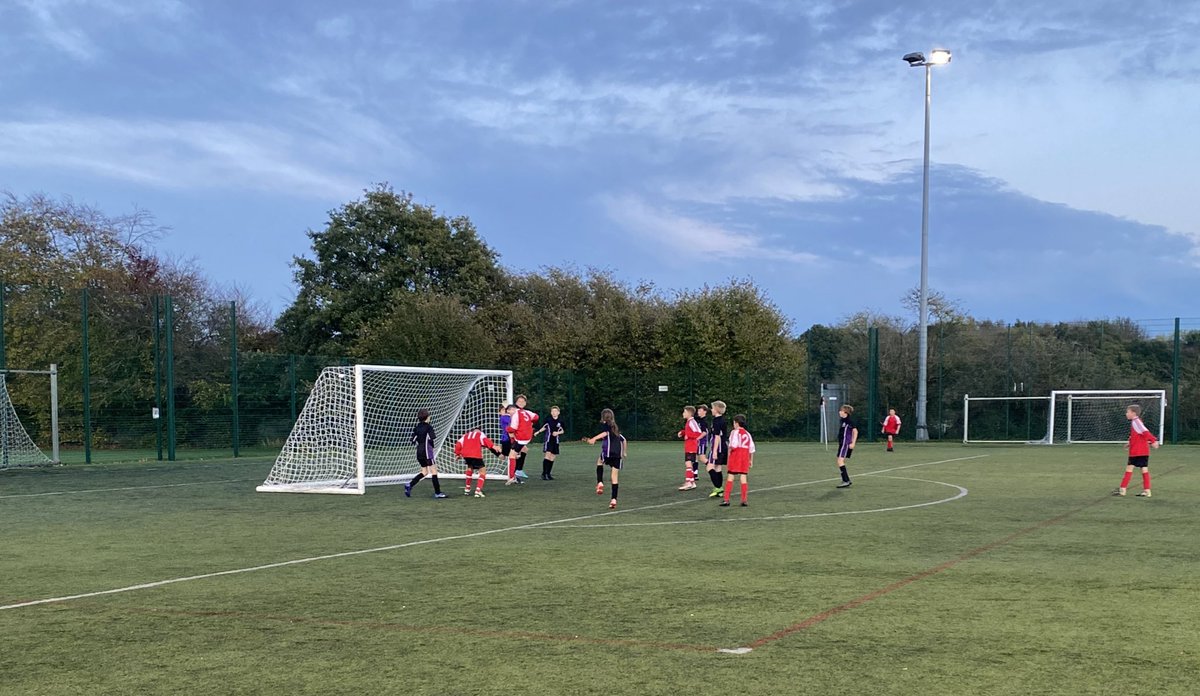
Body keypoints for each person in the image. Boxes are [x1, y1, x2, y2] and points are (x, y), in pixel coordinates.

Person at [1112, 404, 1159, 497]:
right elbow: (1138, 435)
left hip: (1137, 451)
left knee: (1129, 469)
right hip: (1144, 451)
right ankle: (1147, 490)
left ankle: (1122, 490)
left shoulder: (1136, 421)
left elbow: (1145, 432)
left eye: (1127, 412)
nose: (1126, 414)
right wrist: (1129, 443)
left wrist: (1153, 440)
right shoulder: (1137, 422)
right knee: (1144, 469)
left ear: (1133, 413)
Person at [585, 408, 626, 509]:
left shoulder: (606, 426)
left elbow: (605, 433)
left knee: (599, 462)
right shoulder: (615, 427)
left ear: (603, 417)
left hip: (608, 453)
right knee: (614, 478)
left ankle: (600, 482)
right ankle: (613, 499)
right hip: (617, 455)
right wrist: (624, 452)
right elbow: (624, 440)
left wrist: (593, 439)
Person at [405, 409, 446, 499]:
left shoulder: (416, 427)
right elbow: (432, 437)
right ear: (427, 417)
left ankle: (409, 485)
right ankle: (438, 492)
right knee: (434, 471)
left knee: (424, 472)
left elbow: (412, 440)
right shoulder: (428, 427)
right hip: (427, 451)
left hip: (419, 452)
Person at [454, 428, 502, 497]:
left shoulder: (465, 435)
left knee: (470, 467)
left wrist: (457, 454)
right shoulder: (480, 434)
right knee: (483, 471)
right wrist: (494, 446)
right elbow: (485, 440)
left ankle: (467, 489)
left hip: (466, 455)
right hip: (475, 454)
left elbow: (458, 444)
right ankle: (478, 490)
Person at [720, 414, 755, 507]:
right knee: (743, 478)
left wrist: (729, 453)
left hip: (736, 457)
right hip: (745, 457)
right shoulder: (748, 434)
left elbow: (733, 445)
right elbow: (752, 448)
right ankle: (744, 500)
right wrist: (751, 460)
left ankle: (726, 499)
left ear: (736, 423)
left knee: (730, 477)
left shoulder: (734, 432)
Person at [506, 394, 539, 483]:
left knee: (512, 456)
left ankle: (513, 476)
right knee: (523, 450)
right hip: (525, 437)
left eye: (523, 401)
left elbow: (513, 428)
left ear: (525, 403)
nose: (521, 402)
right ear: (516, 402)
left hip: (520, 437)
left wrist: (508, 429)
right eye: (519, 401)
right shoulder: (526, 412)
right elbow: (536, 417)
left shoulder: (516, 413)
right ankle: (518, 471)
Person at [676, 405, 705, 491]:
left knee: (688, 463)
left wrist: (688, 435)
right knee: (689, 463)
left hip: (692, 446)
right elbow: (690, 432)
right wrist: (683, 432)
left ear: (689, 413)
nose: (683, 413)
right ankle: (691, 482)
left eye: (684, 412)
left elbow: (698, 433)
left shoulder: (692, 421)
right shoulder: (689, 422)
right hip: (689, 446)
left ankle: (689, 482)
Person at [533, 405, 565, 480]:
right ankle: (544, 474)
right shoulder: (548, 420)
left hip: (556, 441)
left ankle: (548, 473)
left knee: (552, 457)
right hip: (548, 440)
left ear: (558, 412)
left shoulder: (561, 421)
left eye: (555, 411)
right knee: (548, 455)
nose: (554, 413)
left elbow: (562, 431)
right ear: (551, 413)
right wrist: (537, 432)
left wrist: (557, 433)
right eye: (552, 411)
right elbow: (544, 427)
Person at [705, 400, 729, 498]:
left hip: (718, 448)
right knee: (718, 468)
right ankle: (719, 489)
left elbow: (717, 436)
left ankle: (718, 487)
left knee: (709, 467)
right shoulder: (723, 419)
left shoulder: (716, 421)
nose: (711, 410)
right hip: (723, 447)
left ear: (717, 409)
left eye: (713, 408)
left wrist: (714, 451)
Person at [835, 405, 857, 489]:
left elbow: (855, 431)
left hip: (845, 443)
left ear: (845, 412)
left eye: (841, 411)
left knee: (840, 461)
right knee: (840, 460)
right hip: (842, 443)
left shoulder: (849, 421)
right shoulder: (842, 420)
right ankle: (846, 480)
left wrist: (853, 443)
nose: (839, 412)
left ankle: (846, 480)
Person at [693, 403, 711, 481]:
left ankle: (712, 467)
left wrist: (697, 438)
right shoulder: (697, 419)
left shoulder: (704, 421)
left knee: (702, 458)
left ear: (705, 412)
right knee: (695, 457)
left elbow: (704, 432)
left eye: (700, 410)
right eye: (698, 410)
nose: (698, 412)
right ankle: (695, 474)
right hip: (697, 442)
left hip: (702, 442)